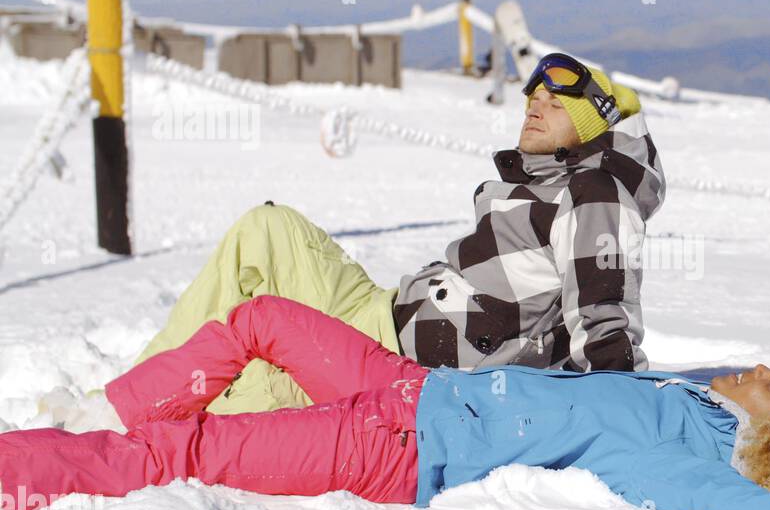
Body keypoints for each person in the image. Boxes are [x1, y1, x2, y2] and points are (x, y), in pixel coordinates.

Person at [0, 297, 770, 510]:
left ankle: (21, 465)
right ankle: (102, 411)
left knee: (178, 454)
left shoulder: (671, 450)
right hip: (413, 384)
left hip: (396, 447)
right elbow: (747, 381)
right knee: (265, 319)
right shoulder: (700, 393)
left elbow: (715, 499)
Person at [131, 53, 663, 416]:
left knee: (240, 393)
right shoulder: (546, 187)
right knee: (266, 229)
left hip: (392, 363)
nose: (533, 108)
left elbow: (602, 316)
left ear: (593, 125)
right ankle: (133, 386)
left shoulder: (594, 193)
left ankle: (124, 414)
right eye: (532, 101)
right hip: (383, 310)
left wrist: (630, 413)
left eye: (555, 104)